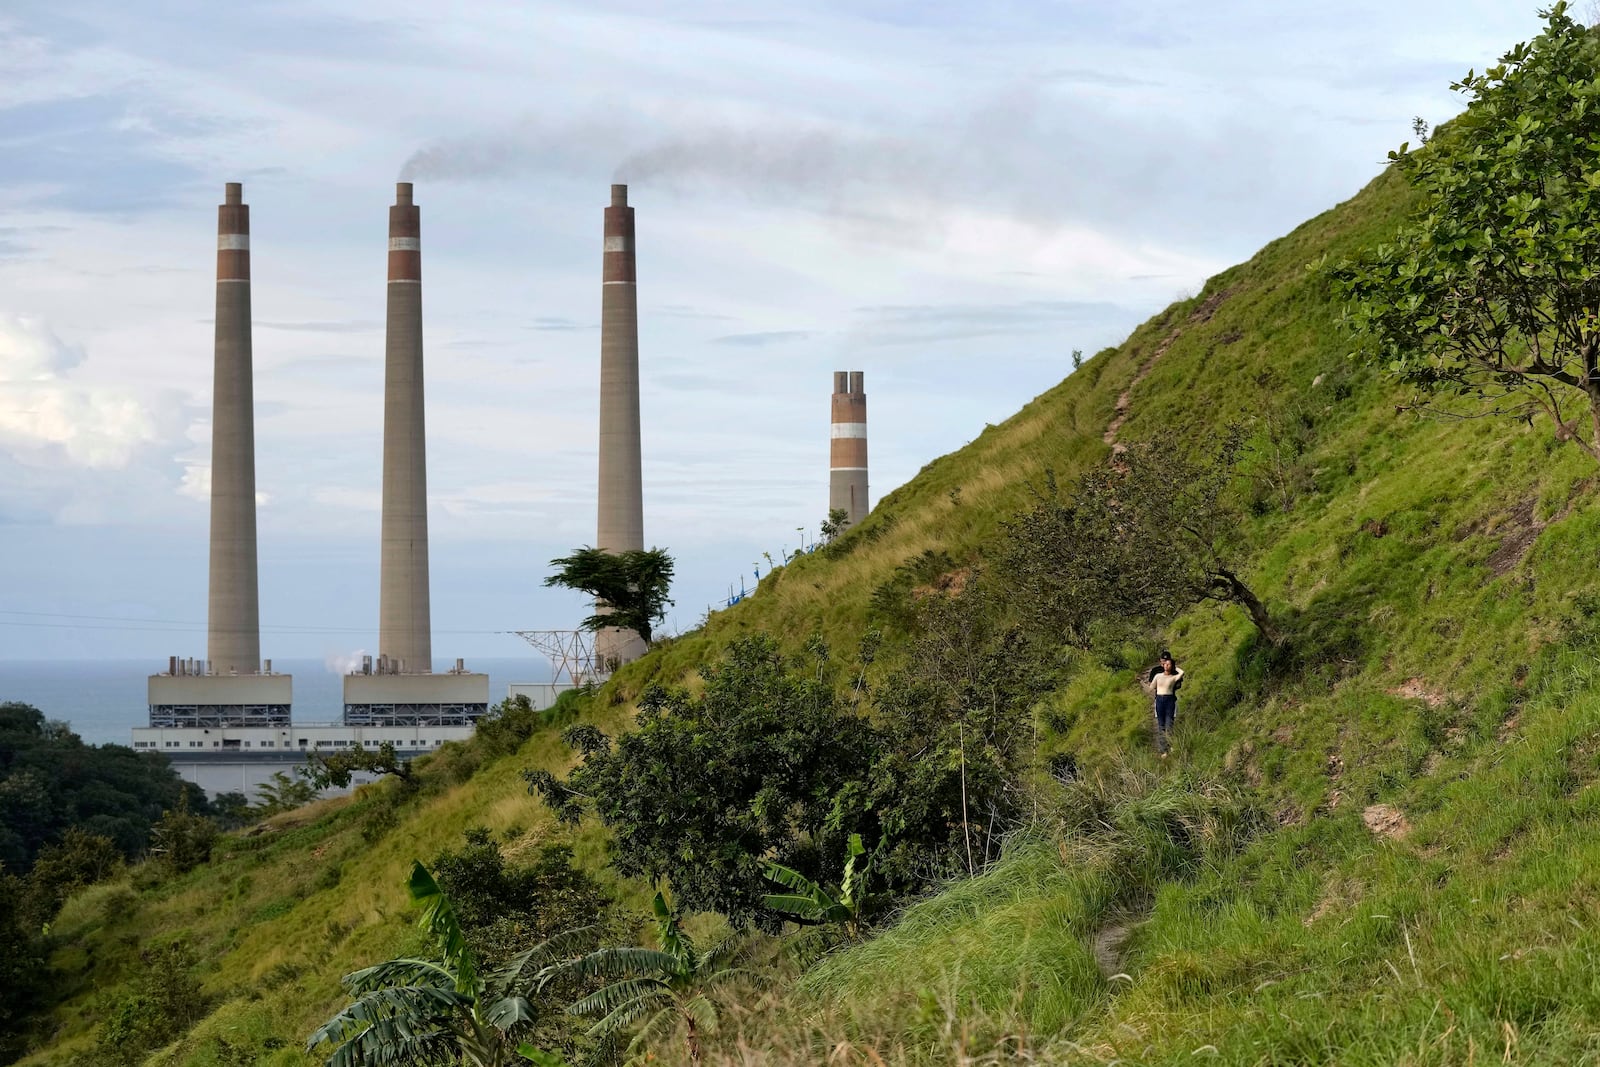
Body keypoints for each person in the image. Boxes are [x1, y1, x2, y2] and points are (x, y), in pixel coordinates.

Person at [1140, 650, 1184, 757]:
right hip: (1159, 699)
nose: (1165, 664)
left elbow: (1180, 678)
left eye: (1167, 662)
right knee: (1161, 725)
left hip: (1170, 699)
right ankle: (1163, 749)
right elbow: (1151, 687)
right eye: (1163, 661)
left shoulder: (1174, 674)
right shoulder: (1157, 673)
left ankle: (1171, 745)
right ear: (1160, 661)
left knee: (1170, 724)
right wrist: (1141, 682)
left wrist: (1173, 666)